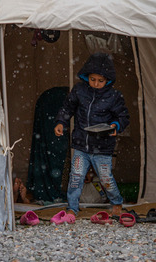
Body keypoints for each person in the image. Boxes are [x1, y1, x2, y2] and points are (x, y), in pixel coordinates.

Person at [54, 52, 130, 219]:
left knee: (105, 178)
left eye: (100, 81)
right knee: (76, 177)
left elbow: (123, 117)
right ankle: (72, 208)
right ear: (86, 76)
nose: (96, 84)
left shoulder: (114, 96)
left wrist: (115, 126)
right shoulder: (79, 90)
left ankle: (116, 203)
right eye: (92, 79)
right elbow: (68, 108)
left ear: (108, 80)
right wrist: (61, 122)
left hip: (103, 147)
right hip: (81, 144)